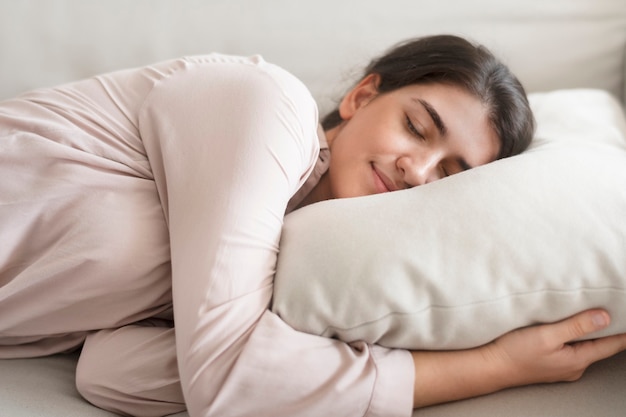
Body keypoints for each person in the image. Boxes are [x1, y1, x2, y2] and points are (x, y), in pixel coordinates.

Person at [0, 34, 624, 417]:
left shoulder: (285, 265)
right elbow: (222, 382)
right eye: (416, 126)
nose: (417, 169)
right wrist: (493, 368)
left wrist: (280, 356)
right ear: (360, 97)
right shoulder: (267, 105)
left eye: (452, 173)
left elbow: (112, 373)